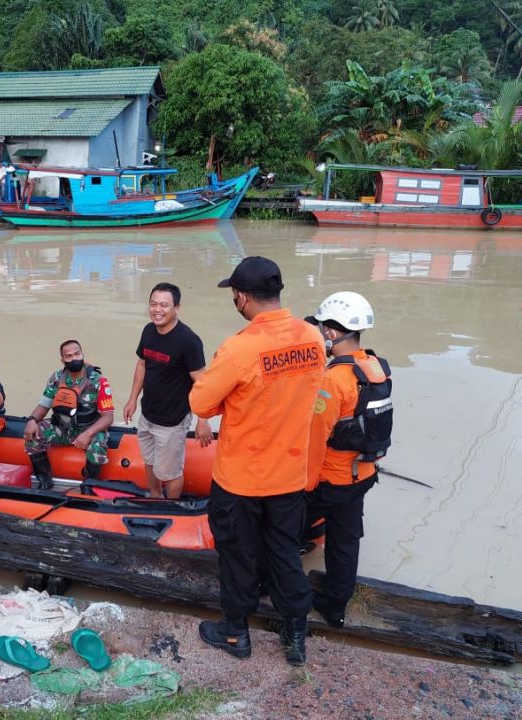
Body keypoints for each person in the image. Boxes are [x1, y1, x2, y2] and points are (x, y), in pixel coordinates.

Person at [190, 256, 326, 666]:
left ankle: (235, 634)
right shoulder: (313, 338)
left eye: (234, 295)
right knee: (285, 554)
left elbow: (201, 401)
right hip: (289, 476)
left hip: (241, 481)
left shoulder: (238, 348)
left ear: (242, 298)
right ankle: (295, 637)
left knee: (237, 556)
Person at [304, 291, 392, 629]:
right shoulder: (375, 365)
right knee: (345, 540)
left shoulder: (332, 380)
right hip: (364, 472)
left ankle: (275, 586)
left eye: (324, 329)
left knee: (283, 527)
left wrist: (304, 483)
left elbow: (316, 435)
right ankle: (337, 608)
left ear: (330, 331)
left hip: (331, 477)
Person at [122, 283, 213, 498]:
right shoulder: (148, 331)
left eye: (164, 305)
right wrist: (132, 399)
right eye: (153, 304)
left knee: (170, 473)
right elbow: (142, 364)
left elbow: (203, 383)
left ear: (177, 308)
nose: (157, 310)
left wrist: (203, 420)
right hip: (148, 414)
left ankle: (170, 509)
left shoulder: (188, 341)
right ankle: (154, 497)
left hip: (172, 421)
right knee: (150, 462)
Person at [23, 341, 115, 490]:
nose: (74, 358)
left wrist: (87, 434)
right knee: (32, 434)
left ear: (83, 354)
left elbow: (108, 417)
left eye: (77, 354)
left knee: (98, 446)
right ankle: (44, 481)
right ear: (62, 360)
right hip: (62, 428)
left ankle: (89, 485)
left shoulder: (98, 380)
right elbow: (44, 405)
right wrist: (32, 420)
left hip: (88, 429)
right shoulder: (57, 378)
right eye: (69, 356)